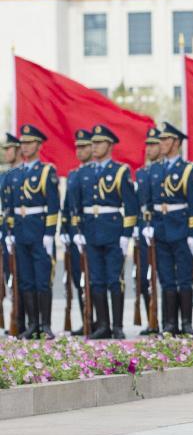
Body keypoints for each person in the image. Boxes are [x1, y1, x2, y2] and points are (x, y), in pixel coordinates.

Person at [70, 125, 139, 339]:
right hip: (91, 230)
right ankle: (103, 325)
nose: (94, 147)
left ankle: (117, 325)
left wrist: (126, 234)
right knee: (96, 280)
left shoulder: (119, 171)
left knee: (114, 279)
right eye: (93, 143)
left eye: (98, 143)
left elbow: (130, 206)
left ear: (109, 145)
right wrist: (77, 230)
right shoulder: (84, 172)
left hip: (113, 231)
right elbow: (77, 206)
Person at [144, 122, 193, 338]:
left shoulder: (188, 169)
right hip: (161, 229)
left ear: (176, 142)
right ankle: (170, 324)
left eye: (165, 140)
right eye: (160, 140)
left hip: (181, 229)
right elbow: (149, 203)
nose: (161, 144)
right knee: (167, 278)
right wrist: (149, 225)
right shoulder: (155, 169)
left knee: (185, 278)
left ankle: (186, 323)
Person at [5, 124, 60, 339]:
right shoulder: (15, 175)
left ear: (38, 145)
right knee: (26, 280)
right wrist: (10, 233)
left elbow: (53, 205)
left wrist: (49, 233)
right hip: (20, 232)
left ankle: (45, 325)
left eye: (29, 143)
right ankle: (32, 324)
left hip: (39, 233)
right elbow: (10, 208)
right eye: (23, 143)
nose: (25, 147)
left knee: (42, 280)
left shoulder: (47, 171)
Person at [59, 129, 93, 334]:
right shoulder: (73, 174)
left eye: (84, 146)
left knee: (94, 279)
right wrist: (63, 228)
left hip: (90, 232)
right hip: (73, 234)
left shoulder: (93, 174)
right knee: (78, 279)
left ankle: (99, 320)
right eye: (78, 147)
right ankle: (86, 320)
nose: (80, 151)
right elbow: (67, 206)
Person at [135, 127, 161, 335]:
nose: (149, 149)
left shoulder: (162, 172)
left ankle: (172, 321)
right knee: (144, 278)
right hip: (144, 231)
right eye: (148, 145)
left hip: (162, 228)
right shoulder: (141, 173)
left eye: (153, 144)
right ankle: (152, 321)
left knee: (168, 278)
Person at [0, 134, 23, 335]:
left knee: (16, 277)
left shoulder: (21, 175)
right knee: (6, 278)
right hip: (4, 233)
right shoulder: (4, 176)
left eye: (9, 149)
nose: (6, 152)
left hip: (16, 233)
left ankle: (18, 319)